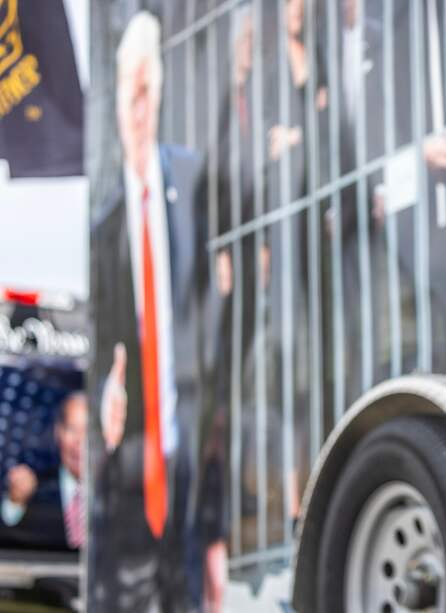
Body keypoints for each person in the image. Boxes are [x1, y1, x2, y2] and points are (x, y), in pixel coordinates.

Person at [91, 11, 223, 612]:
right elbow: (99, 355)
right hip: (133, 465)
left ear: (160, 94)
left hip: (188, 447)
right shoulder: (107, 226)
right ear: (116, 98)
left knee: (191, 593)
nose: (139, 107)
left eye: (148, 91)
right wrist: (104, 405)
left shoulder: (191, 180)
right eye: (130, 91)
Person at [0, 392, 87, 551]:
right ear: (58, 432)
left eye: (87, 431)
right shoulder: (36, 490)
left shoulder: (117, 493)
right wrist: (15, 503)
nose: (79, 442)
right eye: (72, 429)